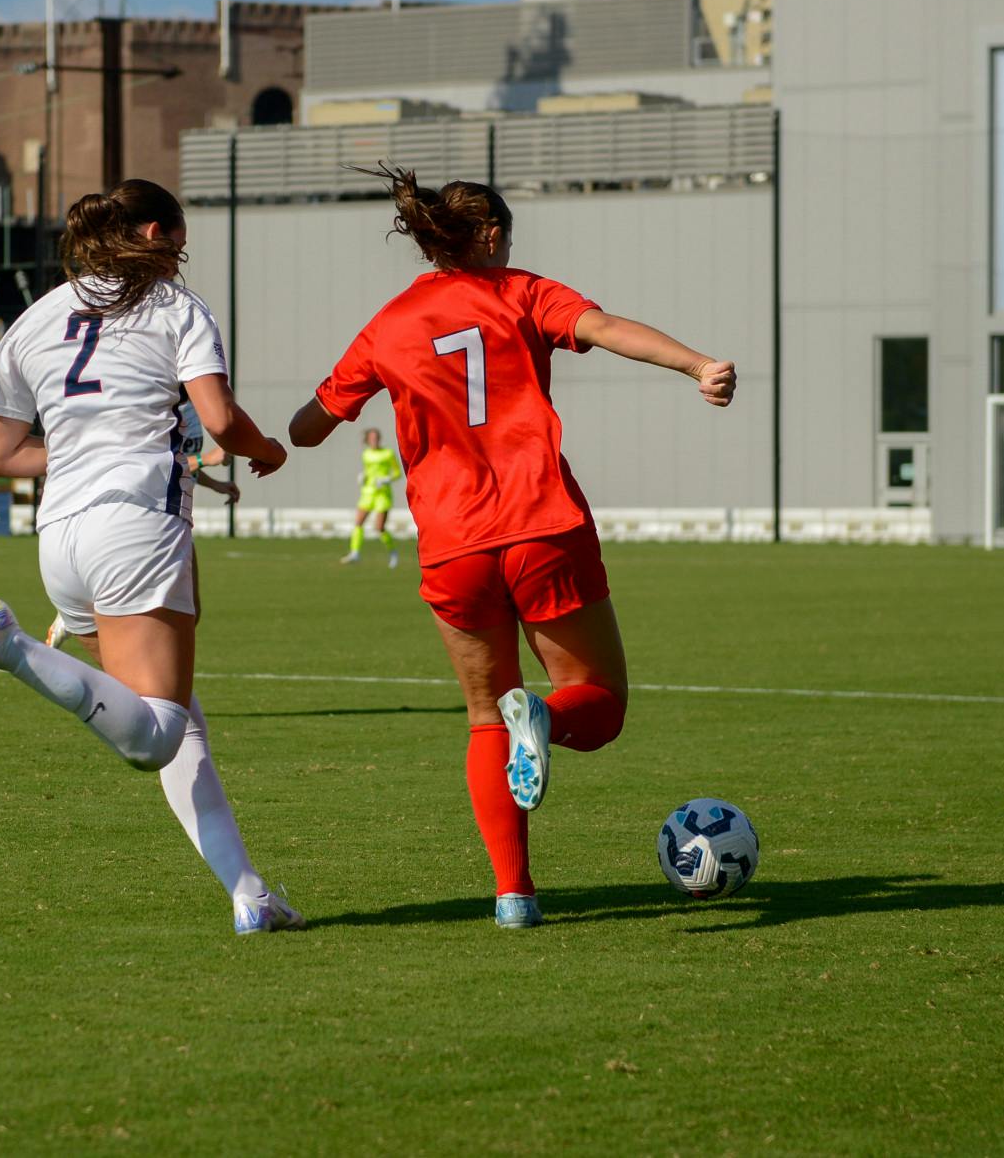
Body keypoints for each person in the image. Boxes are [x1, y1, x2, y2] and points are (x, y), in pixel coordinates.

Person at [288, 165, 736, 930]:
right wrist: (698, 364)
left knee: (485, 716)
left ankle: (514, 895)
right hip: (540, 524)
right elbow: (606, 328)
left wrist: (284, 436)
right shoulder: (522, 293)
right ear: (491, 236)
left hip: (453, 544)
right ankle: (546, 721)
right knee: (598, 704)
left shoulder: (389, 323)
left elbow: (308, 426)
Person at [0, 178, 304, 936]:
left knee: (176, 720)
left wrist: (88, 449)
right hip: (134, 526)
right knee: (155, 736)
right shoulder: (176, 307)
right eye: (179, 243)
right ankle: (10, 647)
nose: (181, 259)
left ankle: (249, 894)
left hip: (60, 537)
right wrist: (268, 449)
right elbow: (221, 419)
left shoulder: (33, 318)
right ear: (156, 234)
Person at [45, 396, 238, 649]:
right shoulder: (157, 404)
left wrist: (216, 484)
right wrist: (205, 459)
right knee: (162, 614)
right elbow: (156, 462)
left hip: (172, 513)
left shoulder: (190, 406)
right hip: (147, 514)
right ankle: (83, 620)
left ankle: (84, 619)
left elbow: (179, 461)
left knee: (189, 612)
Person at [339, 427, 403, 568]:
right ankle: (355, 553)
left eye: (376, 438)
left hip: (382, 493)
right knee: (358, 522)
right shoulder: (366, 454)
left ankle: (393, 552)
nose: (374, 440)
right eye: (372, 438)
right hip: (368, 492)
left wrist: (387, 479)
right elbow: (368, 471)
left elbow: (398, 472)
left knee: (379, 527)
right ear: (368, 440)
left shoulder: (388, 453)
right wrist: (363, 477)